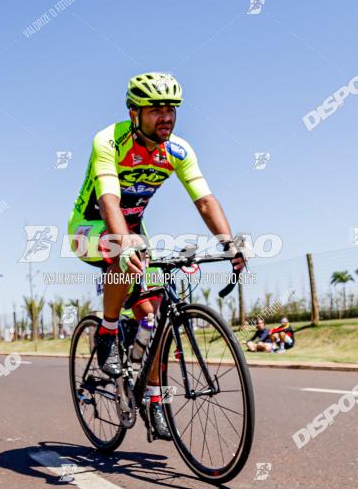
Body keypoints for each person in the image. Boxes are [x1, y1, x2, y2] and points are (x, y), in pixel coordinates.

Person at [68, 72, 245, 440]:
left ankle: (153, 398)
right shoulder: (110, 141)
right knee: (122, 252)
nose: (166, 117)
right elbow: (109, 200)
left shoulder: (178, 151)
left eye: (171, 110)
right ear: (135, 113)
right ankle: (108, 330)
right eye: (156, 110)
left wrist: (229, 242)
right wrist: (125, 243)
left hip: (133, 230)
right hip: (88, 228)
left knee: (154, 318)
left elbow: (205, 200)